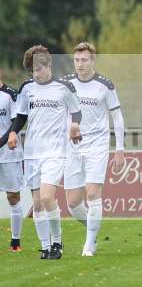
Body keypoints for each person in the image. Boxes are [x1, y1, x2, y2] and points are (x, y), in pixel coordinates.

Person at [4, 45, 82, 259]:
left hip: (55, 152)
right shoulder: (27, 88)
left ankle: (57, 244)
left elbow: (76, 112)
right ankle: (46, 247)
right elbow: (20, 116)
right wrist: (12, 133)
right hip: (32, 153)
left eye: (38, 69)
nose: (36, 74)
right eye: (32, 71)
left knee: (48, 197)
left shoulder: (63, 87)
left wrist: (74, 126)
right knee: (37, 203)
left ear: (48, 65)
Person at [63, 42, 125, 256]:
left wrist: (119, 149)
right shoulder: (66, 84)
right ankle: (92, 229)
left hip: (97, 146)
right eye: (77, 60)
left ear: (93, 61)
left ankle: (89, 244)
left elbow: (117, 117)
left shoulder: (104, 85)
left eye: (84, 60)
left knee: (92, 193)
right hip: (72, 147)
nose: (80, 64)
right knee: (72, 203)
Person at [0, 69, 24, 251]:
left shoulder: (11, 95)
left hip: (9, 153)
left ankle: (15, 242)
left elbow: (17, 122)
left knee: (13, 196)